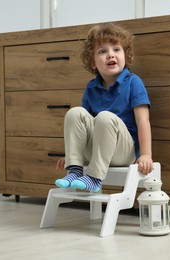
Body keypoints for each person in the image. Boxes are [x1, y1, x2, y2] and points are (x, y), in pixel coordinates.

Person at [54, 23, 153, 192]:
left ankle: (94, 177)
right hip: (98, 149)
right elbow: (82, 126)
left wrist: (145, 154)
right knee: (75, 113)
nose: (110, 55)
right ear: (93, 62)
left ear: (126, 56)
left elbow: (143, 120)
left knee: (104, 117)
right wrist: (72, 154)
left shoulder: (133, 82)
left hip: (123, 151)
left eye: (116, 49)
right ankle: (75, 169)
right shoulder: (91, 88)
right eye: (102, 51)